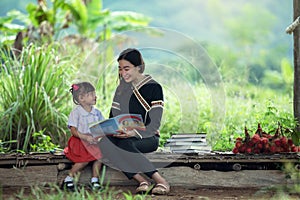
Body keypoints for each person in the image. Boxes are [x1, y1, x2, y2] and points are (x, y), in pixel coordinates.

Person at [99, 48, 170, 195]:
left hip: (148, 137)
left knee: (125, 144)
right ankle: (142, 181)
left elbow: (154, 123)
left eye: (127, 68)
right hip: (124, 135)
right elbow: (113, 117)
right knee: (104, 143)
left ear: (138, 67)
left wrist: (133, 132)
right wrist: (111, 129)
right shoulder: (121, 88)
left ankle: (161, 181)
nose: (122, 73)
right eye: (120, 69)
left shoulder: (154, 88)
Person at [62, 82, 104, 191]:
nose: (95, 96)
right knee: (84, 160)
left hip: (92, 140)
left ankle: (95, 180)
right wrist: (85, 138)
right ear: (81, 98)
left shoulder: (97, 113)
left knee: (99, 157)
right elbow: (73, 131)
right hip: (79, 141)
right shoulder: (76, 113)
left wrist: (99, 136)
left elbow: (100, 127)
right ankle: (68, 179)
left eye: (94, 94)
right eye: (91, 94)